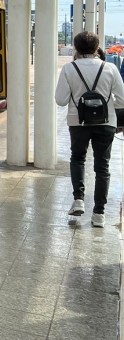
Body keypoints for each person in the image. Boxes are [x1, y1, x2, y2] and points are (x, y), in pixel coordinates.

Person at [54, 30, 124, 228]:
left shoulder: (69, 68)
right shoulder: (110, 68)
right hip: (106, 123)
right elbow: (122, 100)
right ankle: (99, 214)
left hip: (78, 122)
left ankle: (78, 199)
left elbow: (61, 100)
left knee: (78, 158)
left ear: (76, 48)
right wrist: (106, 105)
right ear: (97, 48)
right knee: (103, 167)